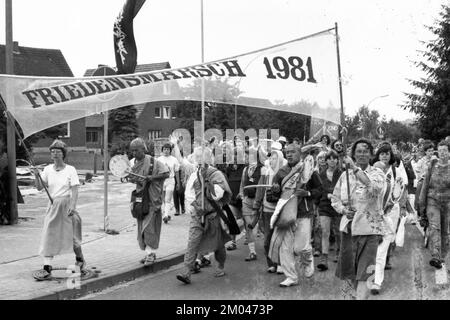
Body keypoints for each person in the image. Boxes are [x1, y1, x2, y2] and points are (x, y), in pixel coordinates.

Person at [331, 139, 386, 300]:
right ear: (353, 154)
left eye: (365, 151)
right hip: (348, 229)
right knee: (350, 272)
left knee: (366, 272)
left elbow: (374, 188)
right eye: (358, 151)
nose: (362, 154)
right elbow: (335, 198)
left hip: (369, 230)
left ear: (371, 154)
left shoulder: (377, 173)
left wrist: (354, 169)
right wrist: (343, 210)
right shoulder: (344, 176)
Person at [176, 147, 233, 284]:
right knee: (192, 243)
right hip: (197, 216)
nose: (198, 160)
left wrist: (207, 182)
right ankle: (186, 272)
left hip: (212, 216)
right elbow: (189, 195)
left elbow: (217, 195)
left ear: (208, 158)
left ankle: (220, 266)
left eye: (201, 157)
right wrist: (195, 206)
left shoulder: (216, 174)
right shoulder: (194, 175)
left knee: (218, 245)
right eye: (197, 157)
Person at [268, 144, 322, 287]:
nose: (290, 155)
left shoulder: (309, 170)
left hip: (303, 214)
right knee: (285, 248)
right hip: (285, 214)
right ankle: (291, 277)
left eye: (293, 152)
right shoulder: (281, 172)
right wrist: (275, 190)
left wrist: (308, 193)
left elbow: (319, 190)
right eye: (287, 152)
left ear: (299, 153)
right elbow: (272, 196)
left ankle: (308, 260)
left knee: (300, 248)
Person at [31, 140, 85, 280]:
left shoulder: (70, 170)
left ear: (63, 154)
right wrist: (36, 175)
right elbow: (39, 187)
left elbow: (75, 189)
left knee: (72, 237)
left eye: (58, 151)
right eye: (52, 151)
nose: (55, 154)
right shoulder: (48, 169)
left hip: (67, 205)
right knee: (48, 235)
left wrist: (73, 206)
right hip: (53, 205)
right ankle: (47, 267)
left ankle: (80, 260)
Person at [128, 138, 169, 266]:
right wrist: (133, 179)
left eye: (136, 150)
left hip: (152, 199)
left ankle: (151, 253)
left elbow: (166, 173)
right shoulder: (132, 163)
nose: (134, 153)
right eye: (132, 151)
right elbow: (132, 179)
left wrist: (152, 177)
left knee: (148, 227)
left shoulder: (153, 162)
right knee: (142, 227)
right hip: (140, 199)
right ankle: (148, 252)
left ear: (143, 149)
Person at [370, 143, 403, 294]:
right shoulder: (371, 172)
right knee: (371, 248)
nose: (384, 156)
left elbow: (399, 193)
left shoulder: (396, 172)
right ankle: (369, 274)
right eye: (381, 153)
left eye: (387, 153)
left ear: (391, 156)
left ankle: (377, 281)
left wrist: (403, 208)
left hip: (389, 215)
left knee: (381, 249)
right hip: (372, 216)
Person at [418, 140, 450, 269]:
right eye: (440, 150)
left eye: (445, 150)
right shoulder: (432, 164)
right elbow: (425, 185)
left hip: (448, 203)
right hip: (433, 201)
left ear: (449, 152)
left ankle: (442, 256)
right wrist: (422, 205)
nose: (442, 153)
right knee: (435, 227)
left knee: (445, 230)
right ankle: (435, 256)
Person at [252, 150, 285, 272]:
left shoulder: (284, 174)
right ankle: (271, 263)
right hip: (267, 211)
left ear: (280, 159)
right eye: (270, 158)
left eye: (275, 158)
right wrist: (256, 207)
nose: (272, 161)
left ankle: (281, 263)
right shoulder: (265, 174)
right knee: (267, 240)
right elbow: (259, 192)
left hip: (281, 211)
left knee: (280, 239)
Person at [317, 150, 342, 271]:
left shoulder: (342, 174)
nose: (332, 160)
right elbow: (319, 189)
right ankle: (324, 258)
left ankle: (339, 253)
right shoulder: (320, 174)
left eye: (335, 158)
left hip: (338, 206)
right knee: (325, 231)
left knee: (338, 232)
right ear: (326, 161)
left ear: (337, 160)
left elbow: (345, 188)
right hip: (325, 206)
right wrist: (326, 195)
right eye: (330, 158)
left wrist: (337, 196)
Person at [237, 147, 263, 261]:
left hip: (259, 202)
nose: (245, 158)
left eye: (247, 156)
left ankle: (271, 248)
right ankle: (252, 252)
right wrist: (242, 196)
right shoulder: (245, 169)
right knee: (249, 226)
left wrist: (261, 200)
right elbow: (242, 184)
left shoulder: (262, 169)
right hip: (247, 201)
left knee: (261, 225)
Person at [158, 143, 181, 224]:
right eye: (164, 149)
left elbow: (177, 172)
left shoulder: (174, 159)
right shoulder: (159, 159)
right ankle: (166, 213)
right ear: (162, 150)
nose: (166, 151)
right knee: (163, 199)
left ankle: (166, 216)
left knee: (168, 198)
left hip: (170, 180)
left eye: (168, 149)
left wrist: (178, 183)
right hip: (161, 181)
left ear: (170, 150)